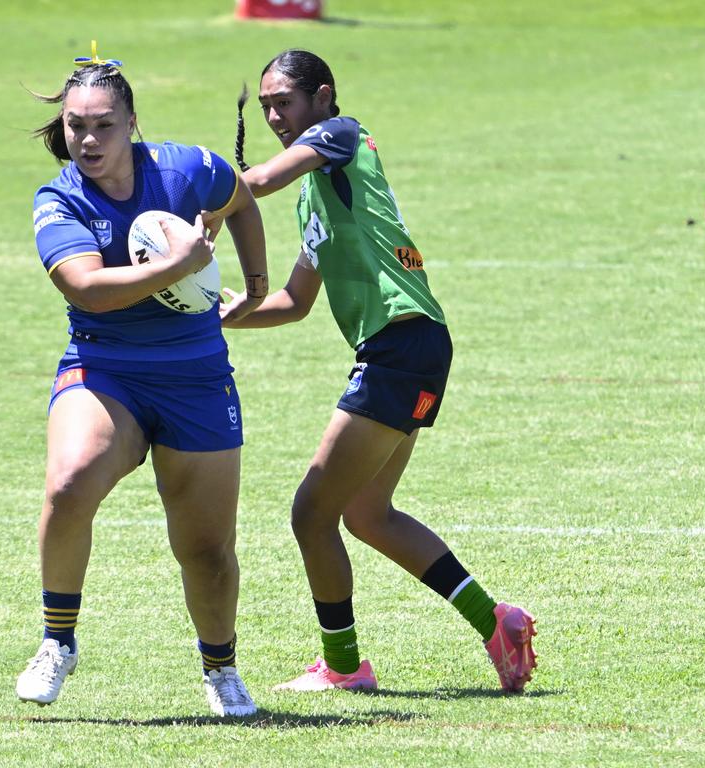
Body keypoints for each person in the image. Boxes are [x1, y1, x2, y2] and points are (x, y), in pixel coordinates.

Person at [217, 49, 537, 692]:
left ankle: (343, 666)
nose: (277, 115)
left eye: (285, 102)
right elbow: (292, 302)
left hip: (402, 345)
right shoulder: (314, 200)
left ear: (322, 96)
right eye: (269, 104)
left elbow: (262, 180)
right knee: (366, 514)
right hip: (408, 348)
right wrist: (215, 316)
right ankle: (497, 621)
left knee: (311, 513)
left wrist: (195, 189)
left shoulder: (340, 134)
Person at [15, 43, 269, 716]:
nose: (89, 139)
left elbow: (240, 199)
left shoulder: (186, 169)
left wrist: (256, 286)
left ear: (132, 123)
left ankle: (220, 668)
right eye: (76, 126)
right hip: (106, 371)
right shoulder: (59, 199)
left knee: (208, 550)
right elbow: (90, 290)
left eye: (103, 124)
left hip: (197, 379)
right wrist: (180, 263)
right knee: (69, 483)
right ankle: (57, 640)